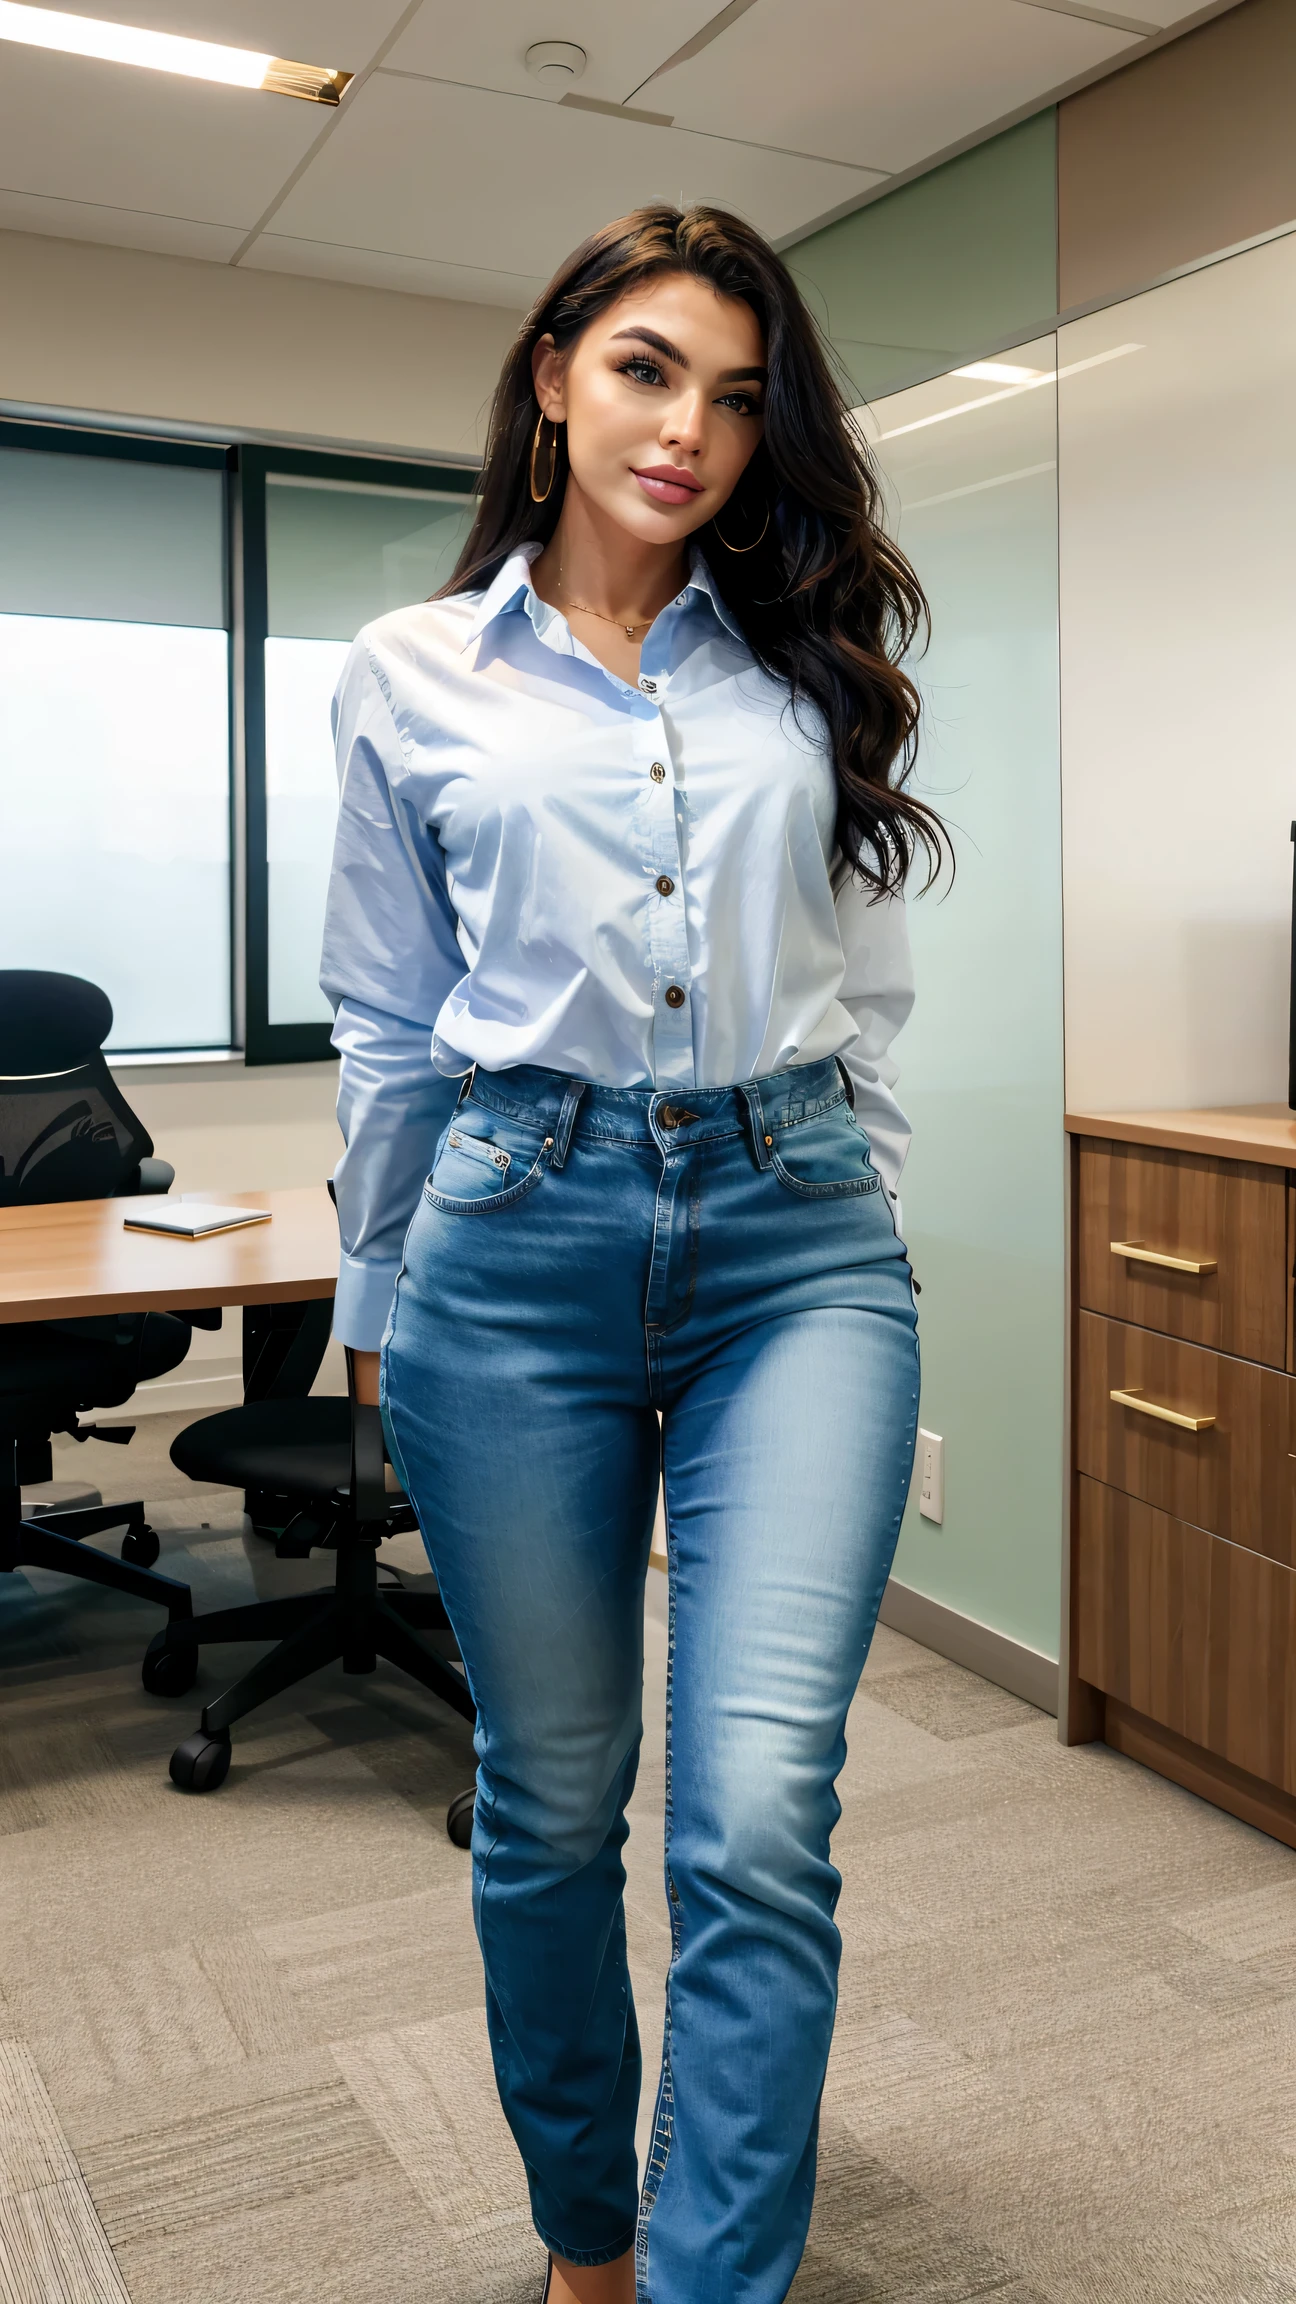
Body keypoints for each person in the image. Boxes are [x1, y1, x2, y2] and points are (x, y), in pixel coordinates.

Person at [321, 204, 943, 2304]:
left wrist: (843, 1187)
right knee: (555, 1804)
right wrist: (374, 1304)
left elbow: (866, 997)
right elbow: (394, 1019)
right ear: (555, 376)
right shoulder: (409, 674)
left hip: (798, 1249)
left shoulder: (798, 669)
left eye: (743, 398)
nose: (693, 430)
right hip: (514, 1239)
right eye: (653, 369)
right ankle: (591, 2236)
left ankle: (708, 2287)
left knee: (757, 1814)